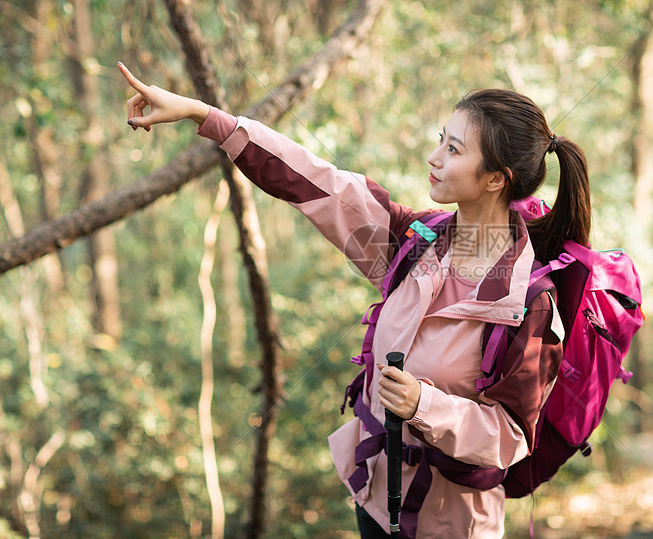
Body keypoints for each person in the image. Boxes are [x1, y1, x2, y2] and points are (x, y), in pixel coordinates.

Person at [119, 61, 592, 538]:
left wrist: (423, 404)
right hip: (373, 494)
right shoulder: (414, 240)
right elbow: (315, 181)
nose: (433, 157)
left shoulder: (530, 303)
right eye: (440, 139)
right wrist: (203, 115)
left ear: (496, 179)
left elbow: (510, 436)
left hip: (449, 524)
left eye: (453, 149)